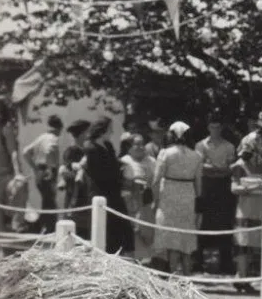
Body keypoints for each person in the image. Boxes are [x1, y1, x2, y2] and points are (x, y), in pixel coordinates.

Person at [153, 122, 203, 275]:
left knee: (172, 237)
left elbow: (156, 180)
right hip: (188, 196)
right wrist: (198, 205)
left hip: (169, 195)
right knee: (186, 236)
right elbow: (199, 184)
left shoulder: (165, 153)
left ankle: (173, 273)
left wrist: (155, 201)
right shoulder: (196, 156)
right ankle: (187, 275)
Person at [83, 116, 134, 254]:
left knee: (121, 228)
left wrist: (123, 166)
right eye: (110, 129)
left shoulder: (108, 145)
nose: (111, 132)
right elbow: (98, 173)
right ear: (102, 130)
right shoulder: (91, 148)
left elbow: (114, 164)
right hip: (101, 192)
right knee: (106, 228)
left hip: (114, 192)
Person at [195, 115, 237, 273]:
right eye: (212, 127)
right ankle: (198, 262)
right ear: (208, 128)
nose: (215, 130)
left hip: (223, 188)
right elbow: (201, 166)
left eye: (218, 127)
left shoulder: (229, 146)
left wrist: (215, 168)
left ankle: (225, 263)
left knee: (224, 223)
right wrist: (218, 169)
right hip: (206, 187)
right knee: (203, 223)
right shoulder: (200, 145)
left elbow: (230, 167)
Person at [230, 137, 262, 294]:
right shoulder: (239, 166)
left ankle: (247, 278)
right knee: (242, 245)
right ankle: (242, 277)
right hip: (245, 209)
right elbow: (234, 188)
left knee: (256, 246)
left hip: (260, 209)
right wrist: (250, 188)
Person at [0, 97, 25, 250]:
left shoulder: (6, 129)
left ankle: (16, 220)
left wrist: (17, 173)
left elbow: (13, 153)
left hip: (4, 179)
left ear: (0, 115)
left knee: (21, 186)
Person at [119, 133, 157, 264]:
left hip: (147, 202)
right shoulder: (124, 161)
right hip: (130, 202)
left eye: (142, 144)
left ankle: (147, 262)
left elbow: (156, 181)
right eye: (136, 144)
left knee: (147, 232)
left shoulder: (152, 161)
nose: (140, 147)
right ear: (129, 147)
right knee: (133, 231)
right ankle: (132, 261)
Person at [22, 114, 63, 232]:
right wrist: (50, 169)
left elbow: (25, 152)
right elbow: (50, 151)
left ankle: (41, 226)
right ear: (58, 128)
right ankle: (48, 228)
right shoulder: (53, 138)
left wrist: (34, 168)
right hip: (48, 171)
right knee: (50, 201)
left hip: (40, 171)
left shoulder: (41, 137)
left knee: (46, 200)